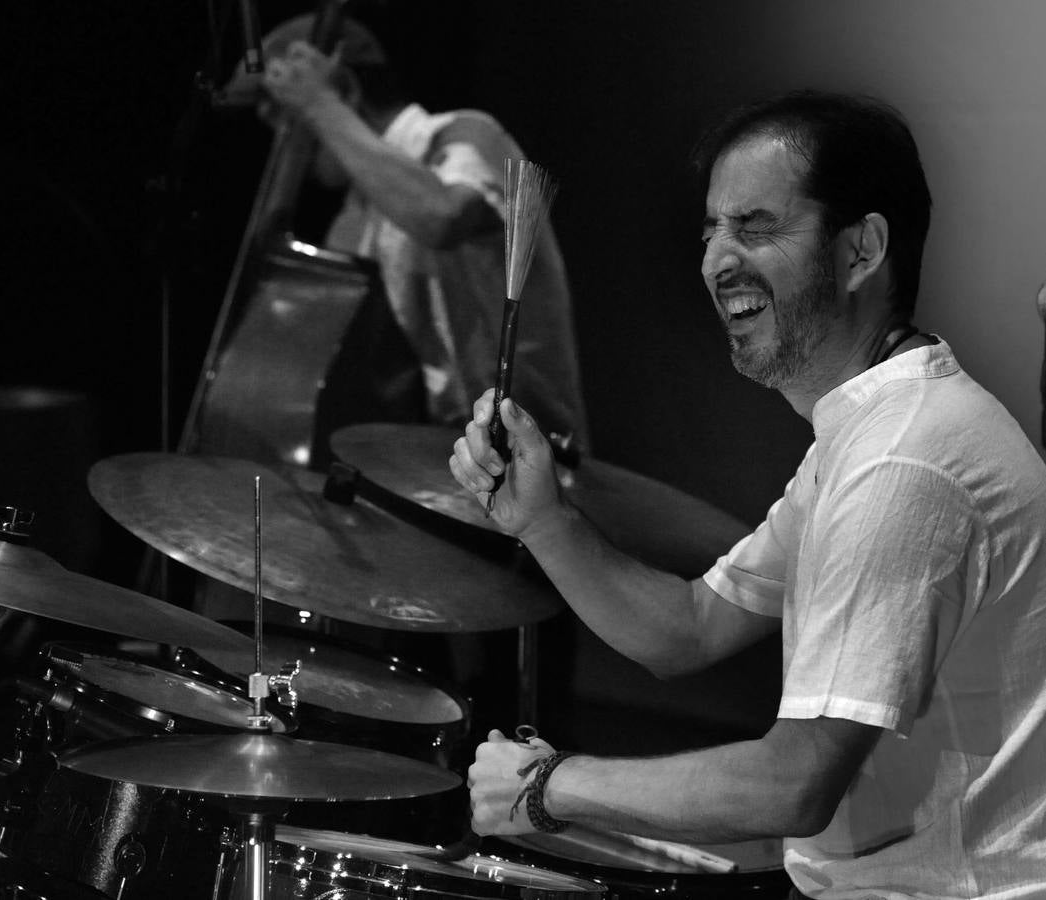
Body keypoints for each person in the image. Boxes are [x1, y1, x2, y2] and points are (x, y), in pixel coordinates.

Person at [449, 90, 1046, 897]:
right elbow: (688, 629)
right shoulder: (872, 431)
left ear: (861, 249)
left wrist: (547, 787)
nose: (714, 261)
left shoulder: (904, 464)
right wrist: (543, 521)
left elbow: (791, 785)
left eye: (755, 227)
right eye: (710, 230)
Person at [222, 13, 589, 443]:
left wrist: (319, 107)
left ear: (345, 91)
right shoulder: (354, 217)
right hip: (432, 456)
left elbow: (442, 216)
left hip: (526, 456)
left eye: (287, 125)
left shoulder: (466, 134)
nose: (291, 152)